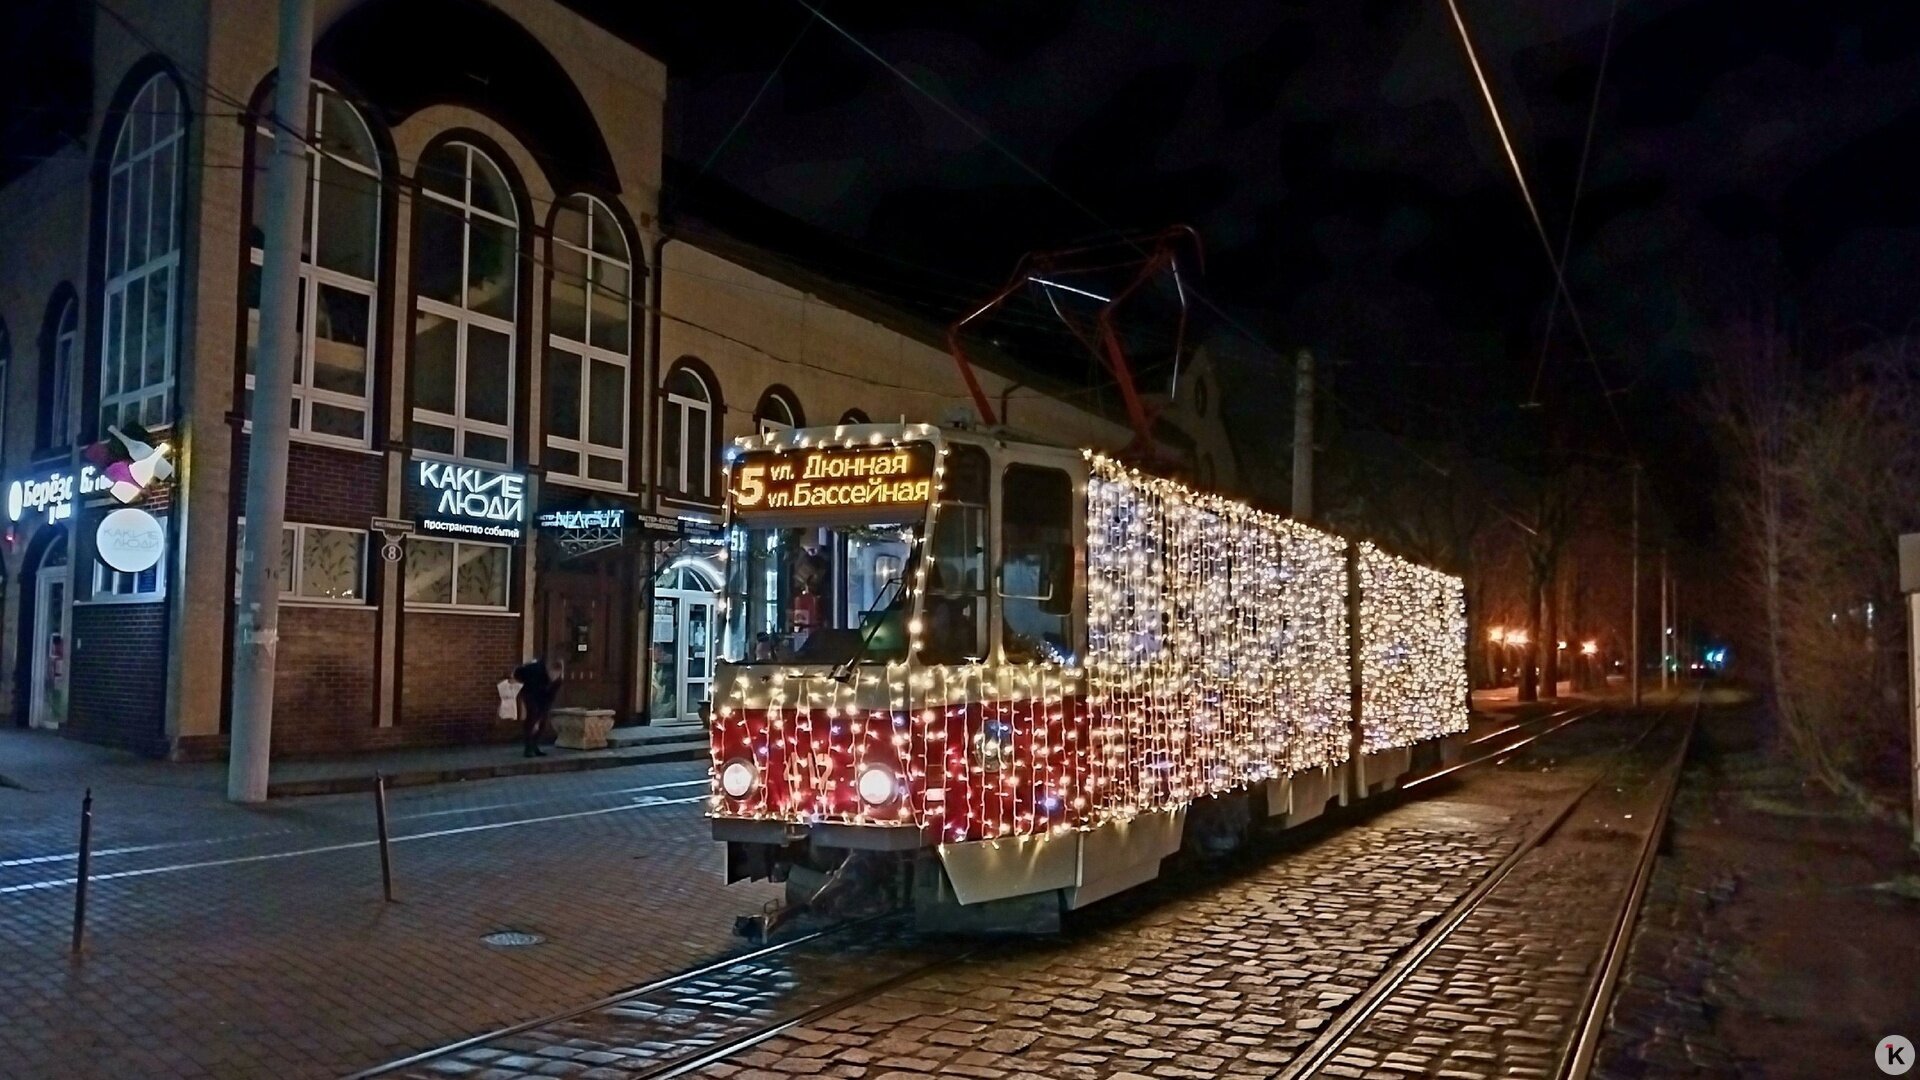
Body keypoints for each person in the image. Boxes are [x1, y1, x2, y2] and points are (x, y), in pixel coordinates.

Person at [514, 658, 559, 757]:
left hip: (543, 697)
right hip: (529, 692)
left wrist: (541, 717)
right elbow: (518, 673)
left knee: (543, 720)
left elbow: (549, 699)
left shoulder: (557, 681)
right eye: (552, 675)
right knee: (532, 715)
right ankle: (528, 747)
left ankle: (535, 745)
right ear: (549, 670)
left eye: (556, 676)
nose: (553, 678)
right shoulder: (535, 669)